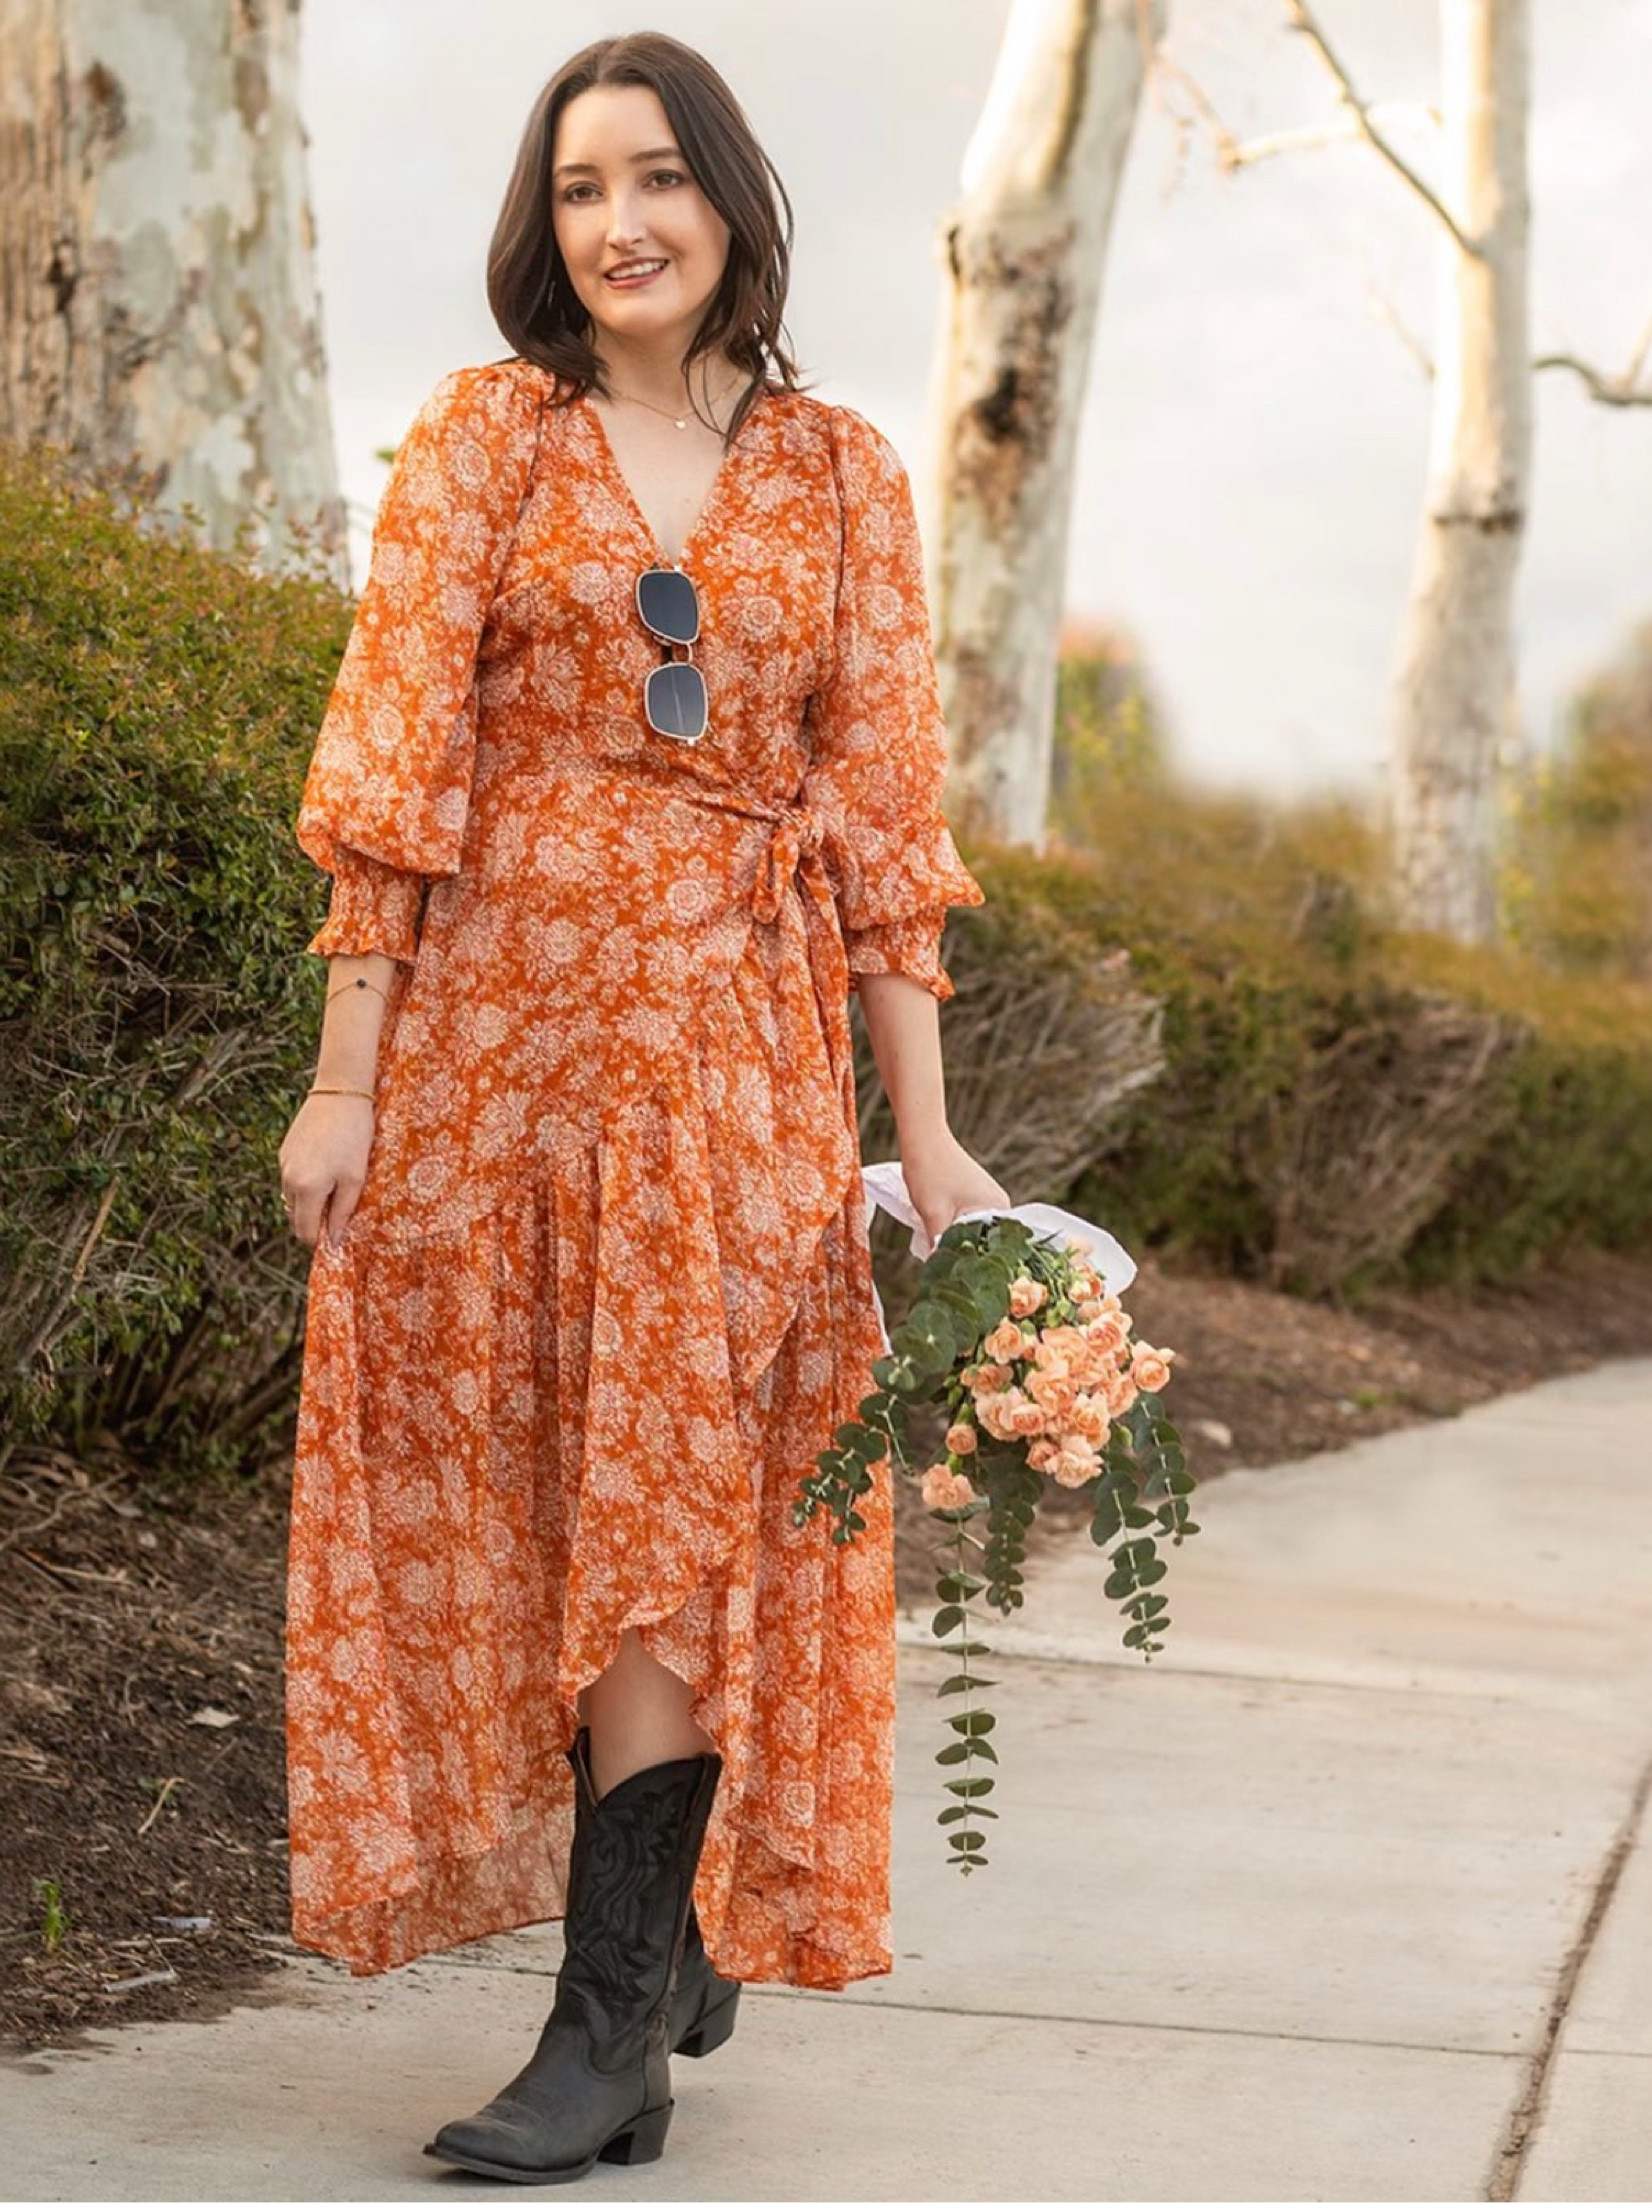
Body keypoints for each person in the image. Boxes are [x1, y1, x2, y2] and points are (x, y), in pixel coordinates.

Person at [277, 27, 1007, 2186]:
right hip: (495, 1063)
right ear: (544, 221)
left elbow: (885, 828)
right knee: (522, 1499)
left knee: (671, 1516)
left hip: (734, 1077)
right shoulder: (488, 441)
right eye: (582, 185)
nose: (622, 223)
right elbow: (391, 768)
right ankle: (660, 1929)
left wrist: (929, 1133)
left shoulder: (845, 477)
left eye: (659, 178)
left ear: (732, 202)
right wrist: (346, 1085)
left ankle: (610, 2032)